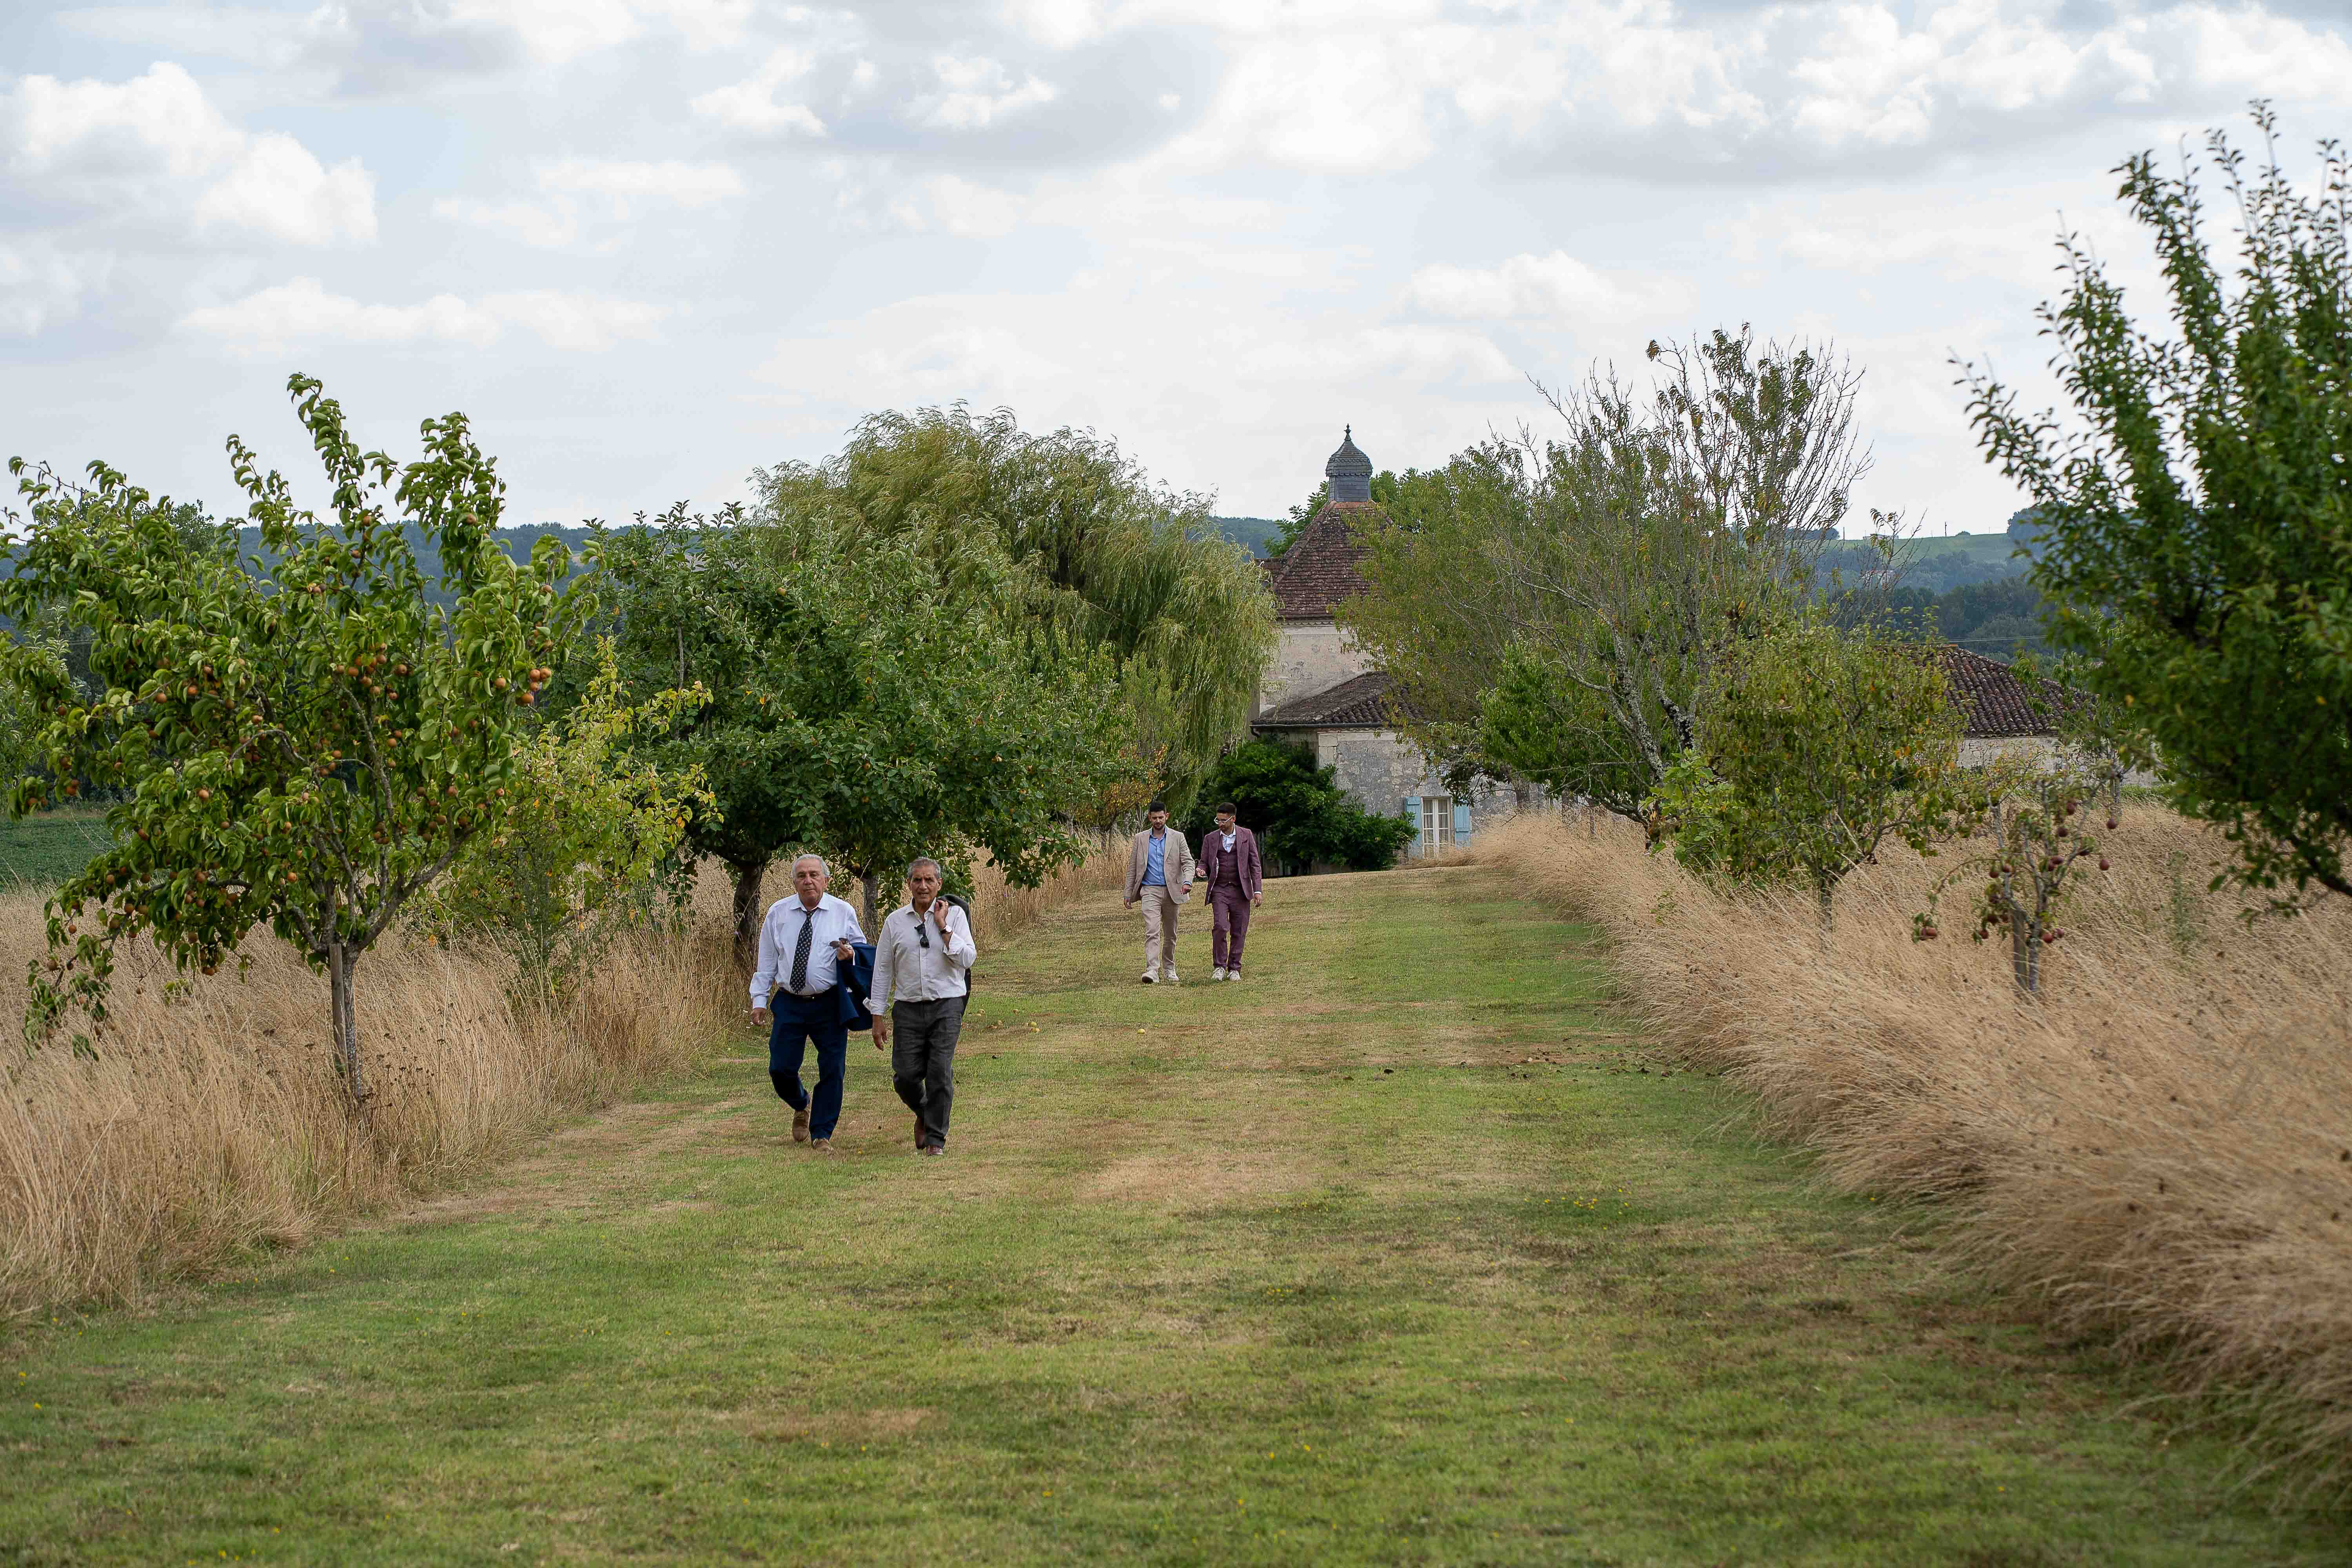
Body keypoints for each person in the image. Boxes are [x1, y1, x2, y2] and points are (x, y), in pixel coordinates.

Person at [749, 853, 867, 1152]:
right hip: (790, 1002)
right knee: (780, 1068)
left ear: (826, 881)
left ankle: (822, 1134)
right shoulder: (778, 914)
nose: (808, 881)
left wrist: (849, 955)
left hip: (829, 1003)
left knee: (832, 1069)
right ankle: (802, 1103)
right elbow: (766, 962)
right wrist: (759, 1000)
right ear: (795, 882)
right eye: (802, 876)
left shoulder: (842, 911)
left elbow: (861, 949)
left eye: (814, 875)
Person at [868, 856, 976, 1156]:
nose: (923, 885)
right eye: (917, 880)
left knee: (939, 1070)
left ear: (939, 884)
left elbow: (967, 959)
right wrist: (877, 1015)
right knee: (905, 1076)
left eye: (930, 880)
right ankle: (926, 1113)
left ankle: (935, 1140)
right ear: (909, 885)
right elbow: (882, 970)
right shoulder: (895, 922)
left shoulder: (953, 916)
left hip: (947, 1004)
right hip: (908, 1007)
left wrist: (943, 927)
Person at [1122, 801, 1193, 984]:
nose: (1158, 821)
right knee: (1152, 930)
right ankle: (1152, 970)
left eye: (1161, 817)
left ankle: (1169, 968)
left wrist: (1187, 881)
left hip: (1172, 892)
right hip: (1149, 891)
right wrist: (1128, 893)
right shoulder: (1141, 839)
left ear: (1167, 816)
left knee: (1171, 933)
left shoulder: (1178, 838)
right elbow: (1133, 868)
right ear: (1149, 818)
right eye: (1154, 818)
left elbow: (1188, 862)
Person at [1195, 801, 1263, 982]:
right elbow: (1204, 862)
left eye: (1224, 820)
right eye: (1218, 820)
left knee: (1239, 930)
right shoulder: (1210, 839)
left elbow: (1255, 864)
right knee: (1220, 927)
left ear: (1233, 819)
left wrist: (1258, 890)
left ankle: (1235, 968)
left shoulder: (1246, 835)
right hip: (1219, 890)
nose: (1220, 823)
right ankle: (1219, 967)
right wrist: (1201, 870)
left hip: (1241, 890)